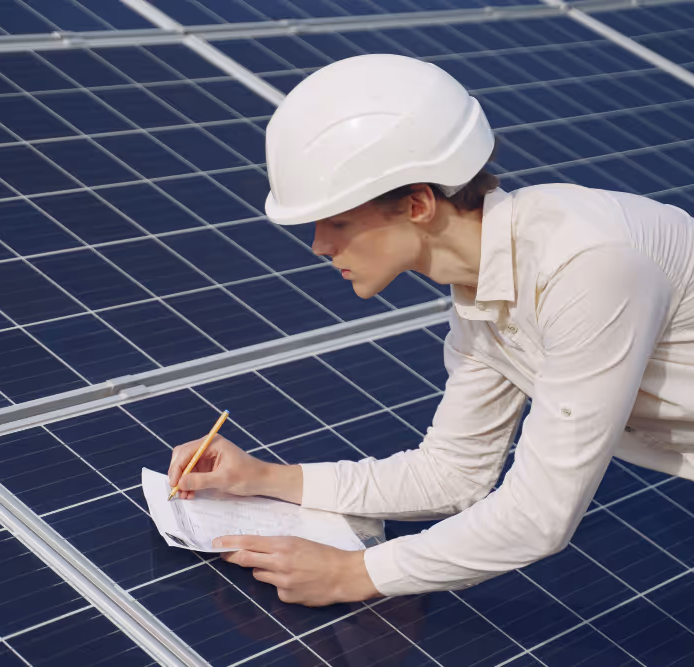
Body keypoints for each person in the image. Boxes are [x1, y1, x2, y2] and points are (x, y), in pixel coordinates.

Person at [167, 53, 694, 606]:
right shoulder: (485, 299)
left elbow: (541, 516)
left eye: (339, 221)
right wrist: (265, 479)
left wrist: (357, 573)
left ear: (418, 203)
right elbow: (452, 476)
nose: (320, 245)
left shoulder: (588, 266)